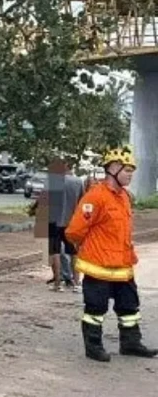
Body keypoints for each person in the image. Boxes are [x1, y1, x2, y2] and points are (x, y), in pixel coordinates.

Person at [65, 145, 156, 362]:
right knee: (96, 308)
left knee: (129, 306)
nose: (131, 175)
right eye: (127, 170)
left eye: (132, 171)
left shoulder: (124, 196)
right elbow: (75, 231)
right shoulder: (95, 197)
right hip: (99, 265)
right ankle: (93, 346)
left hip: (123, 264)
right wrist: (89, 249)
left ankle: (131, 343)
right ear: (113, 168)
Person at [46, 160, 86, 292]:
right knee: (74, 252)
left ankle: (58, 283)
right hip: (71, 222)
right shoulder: (78, 182)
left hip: (53, 220)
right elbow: (82, 202)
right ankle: (76, 283)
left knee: (55, 251)